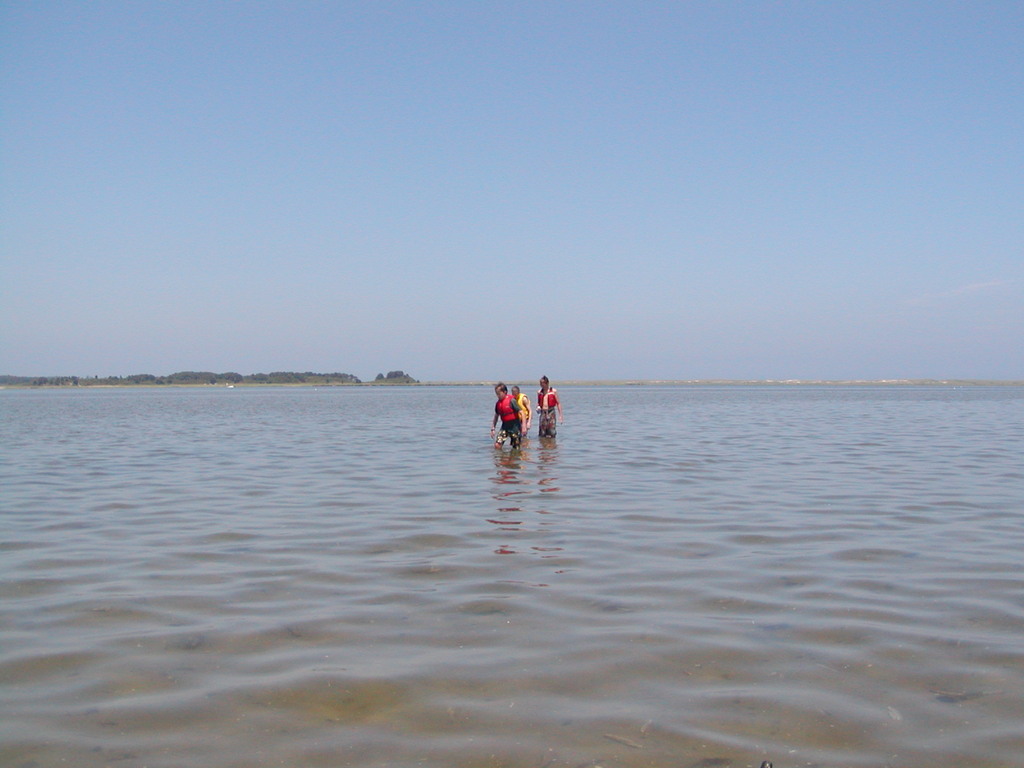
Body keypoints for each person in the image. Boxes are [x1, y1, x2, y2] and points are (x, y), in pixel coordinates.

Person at [490, 382, 524, 449]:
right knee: (497, 445)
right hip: (505, 426)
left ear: (505, 392)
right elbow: (496, 416)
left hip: (515, 426)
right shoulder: (498, 404)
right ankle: (501, 458)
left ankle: (515, 458)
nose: (497, 395)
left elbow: (522, 412)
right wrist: (493, 428)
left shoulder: (512, 401)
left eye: (499, 394)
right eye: (496, 394)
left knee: (516, 448)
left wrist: (524, 426)